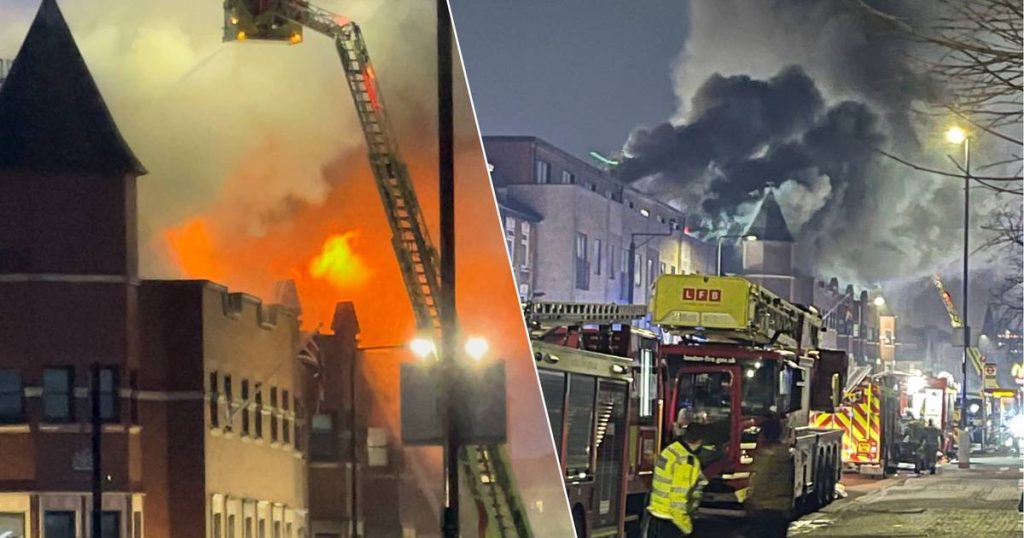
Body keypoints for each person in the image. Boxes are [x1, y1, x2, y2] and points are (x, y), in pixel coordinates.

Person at [645, 419, 709, 537]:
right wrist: (688, 529)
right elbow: (678, 502)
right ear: (699, 441)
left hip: (656, 515)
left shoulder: (671, 450)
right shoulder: (686, 462)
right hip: (671, 523)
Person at [745, 416, 794, 538]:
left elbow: (759, 483)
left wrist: (749, 503)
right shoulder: (785, 454)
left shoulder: (767, 457)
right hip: (781, 508)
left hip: (764, 509)